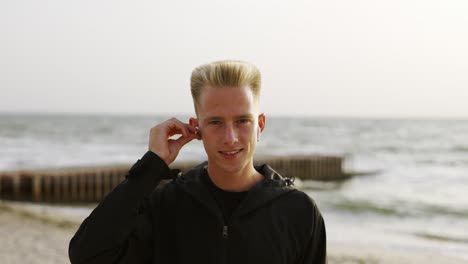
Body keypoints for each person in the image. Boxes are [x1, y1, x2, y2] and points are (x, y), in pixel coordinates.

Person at [69, 60, 327, 263]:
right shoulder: (165, 205)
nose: (230, 137)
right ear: (196, 127)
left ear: (260, 124)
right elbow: (88, 255)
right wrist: (151, 166)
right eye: (215, 122)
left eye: (242, 121)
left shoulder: (299, 211)